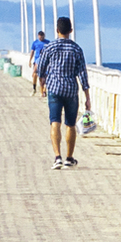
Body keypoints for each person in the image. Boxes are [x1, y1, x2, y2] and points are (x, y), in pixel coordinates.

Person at [35, 17, 90, 169]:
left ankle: (57, 157)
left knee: (55, 122)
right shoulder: (76, 49)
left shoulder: (49, 47)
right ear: (71, 31)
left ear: (57, 30)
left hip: (54, 89)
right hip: (71, 91)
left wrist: (43, 84)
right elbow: (83, 74)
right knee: (70, 125)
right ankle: (69, 158)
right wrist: (87, 97)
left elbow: (41, 69)